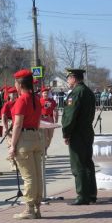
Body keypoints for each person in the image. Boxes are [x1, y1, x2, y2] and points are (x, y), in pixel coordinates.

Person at [8, 69, 42, 219]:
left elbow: (17, 124)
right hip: (36, 137)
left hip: (24, 139)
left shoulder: (22, 100)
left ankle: (29, 208)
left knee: (28, 177)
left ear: (19, 84)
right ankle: (37, 207)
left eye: (15, 82)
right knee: (36, 175)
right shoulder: (36, 99)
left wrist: (12, 145)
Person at [62, 68, 97, 205]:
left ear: (74, 78)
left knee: (78, 164)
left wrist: (66, 133)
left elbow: (70, 116)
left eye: (68, 78)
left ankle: (82, 195)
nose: (68, 81)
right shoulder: (88, 92)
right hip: (87, 130)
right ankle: (91, 193)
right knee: (88, 162)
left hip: (77, 133)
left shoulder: (76, 93)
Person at [1, 87, 18, 171]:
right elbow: (3, 116)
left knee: (17, 144)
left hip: (17, 123)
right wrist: (5, 127)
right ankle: (12, 163)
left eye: (15, 94)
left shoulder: (18, 102)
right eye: (13, 94)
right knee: (11, 144)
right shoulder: (7, 104)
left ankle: (16, 161)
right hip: (10, 123)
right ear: (9, 95)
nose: (14, 95)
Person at [40, 87, 58, 155]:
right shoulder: (40, 100)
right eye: (44, 93)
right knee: (44, 136)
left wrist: (56, 118)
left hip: (50, 119)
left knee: (50, 137)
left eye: (47, 93)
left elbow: (55, 110)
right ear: (42, 94)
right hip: (42, 119)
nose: (46, 94)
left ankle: (46, 148)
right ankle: (43, 151)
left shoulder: (52, 101)